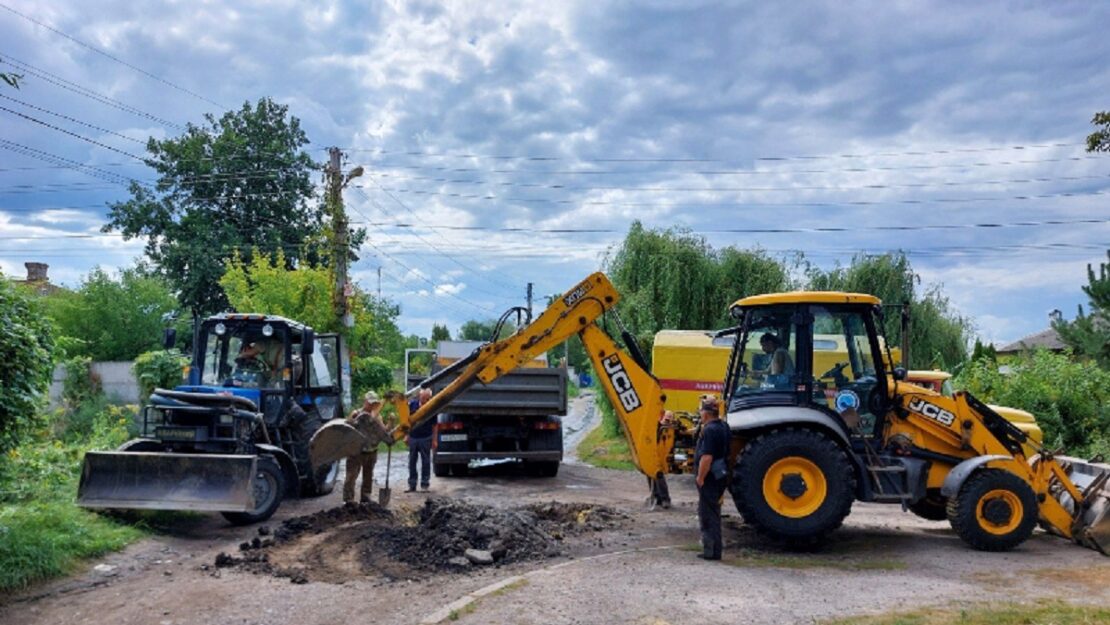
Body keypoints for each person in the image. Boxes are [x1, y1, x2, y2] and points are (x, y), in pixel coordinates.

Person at [695, 395, 729, 560]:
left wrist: (700, 477)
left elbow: (706, 457)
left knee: (707, 513)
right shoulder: (724, 427)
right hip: (720, 475)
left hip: (709, 477)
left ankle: (710, 552)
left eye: (701, 411)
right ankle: (716, 550)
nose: (700, 414)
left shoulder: (709, 430)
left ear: (706, 414)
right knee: (715, 512)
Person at [343, 391, 390, 504]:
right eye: (370, 403)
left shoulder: (377, 416)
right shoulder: (357, 413)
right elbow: (346, 427)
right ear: (365, 402)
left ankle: (365, 496)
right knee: (351, 475)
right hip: (356, 451)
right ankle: (348, 499)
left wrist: (391, 422)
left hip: (371, 450)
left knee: (368, 475)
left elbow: (384, 431)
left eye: (374, 403)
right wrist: (352, 419)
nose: (372, 405)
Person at [407, 387, 435, 492]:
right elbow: (407, 422)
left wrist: (434, 440)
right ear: (420, 396)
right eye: (424, 398)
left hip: (426, 437)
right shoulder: (412, 405)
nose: (425, 401)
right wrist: (407, 435)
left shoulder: (432, 407)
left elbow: (434, 425)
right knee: (412, 461)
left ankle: (424, 484)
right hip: (413, 436)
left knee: (426, 461)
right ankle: (412, 485)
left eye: (428, 399)